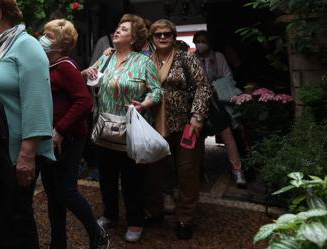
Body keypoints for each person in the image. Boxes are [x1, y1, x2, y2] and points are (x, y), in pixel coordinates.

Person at [0, 0, 54, 249]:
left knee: (17, 222)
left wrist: (27, 155)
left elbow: (38, 102)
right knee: (0, 223)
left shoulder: (26, 45)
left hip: (17, 153)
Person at [83, 14, 162, 243]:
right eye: (118, 27)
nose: (117, 31)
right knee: (106, 176)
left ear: (134, 37)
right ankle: (110, 214)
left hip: (128, 127)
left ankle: (135, 221)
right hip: (104, 126)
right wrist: (86, 73)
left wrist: (145, 103)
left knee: (132, 179)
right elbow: (85, 76)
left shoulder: (143, 62)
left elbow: (156, 91)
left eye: (124, 29)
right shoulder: (105, 58)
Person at [39, 19, 109, 249]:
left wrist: (60, 129)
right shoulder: (53, 65)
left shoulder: (65, 66)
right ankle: (58, 244)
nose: (42, 38)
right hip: (51, 139)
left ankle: (98, 235)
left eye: (48, 36)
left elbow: (84, 101)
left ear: (60, 44)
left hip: (68, 138)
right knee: (53, 194)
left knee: (67, 191)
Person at [146, 19, 211, 240]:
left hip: (184, 125)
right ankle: (155, 212)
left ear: (174, 37)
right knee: (153, 171)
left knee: (187, 172)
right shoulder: (146, 61)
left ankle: (185, 218)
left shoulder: (186, 58)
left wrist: (197, 115)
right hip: (152, 125)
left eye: (167, 34)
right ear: (152, 38)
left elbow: (203, 86)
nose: (162, 37)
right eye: (158, 34)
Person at [193, 30, 247, 187]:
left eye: (203, 41)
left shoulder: (218, 57)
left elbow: (227, 76)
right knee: (198, 134)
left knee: (227, 133)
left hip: (216, 101)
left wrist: (215, 87)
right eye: (197, 41)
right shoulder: (192, 58)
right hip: (198, 100)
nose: (200, 44)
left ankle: (237, 169)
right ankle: (198, 169)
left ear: (209, 43)